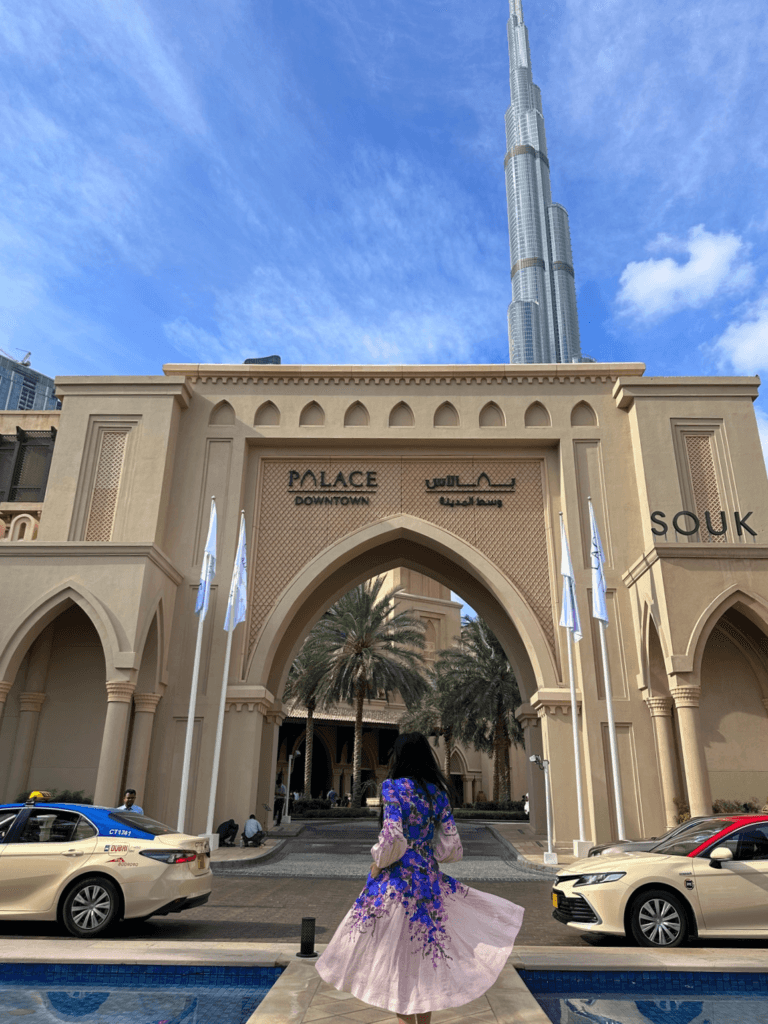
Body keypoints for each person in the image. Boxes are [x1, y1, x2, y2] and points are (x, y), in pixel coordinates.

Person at [315, 732, 524, 1024]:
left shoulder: (393, 788)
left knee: (398, 961)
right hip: (428, 883)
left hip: (398, 884)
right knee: (424, 959)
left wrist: (378, 862)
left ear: (400, 757)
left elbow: (392, 836)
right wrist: (426, 853)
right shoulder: (437, 793)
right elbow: (451, 845)